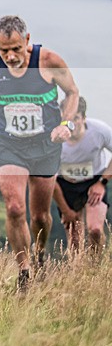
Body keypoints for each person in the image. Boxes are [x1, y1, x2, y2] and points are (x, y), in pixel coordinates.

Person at [0, 15, 79, 291]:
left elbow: (72, 93)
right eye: (4, 50)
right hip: (9, 144)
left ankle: (40, 253)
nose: (10, 56)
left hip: (45, 146)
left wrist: (65, 124)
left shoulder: (49, 62)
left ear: (28, 41)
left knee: (39, 217)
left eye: (16, 49)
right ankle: (23, 272)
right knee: (14, 207)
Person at [53, 96, 112, 255]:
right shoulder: (53, 138)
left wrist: (102, 182)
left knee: (95, 230)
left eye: (76, 118)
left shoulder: (100, 131)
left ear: (84, 118)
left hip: (93, 181)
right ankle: (77, 272)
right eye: (66, 119)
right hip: (64, 184)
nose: (71, 124)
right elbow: (48, 179)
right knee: (74, 238)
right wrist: (65, 210)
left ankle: (94, 269)